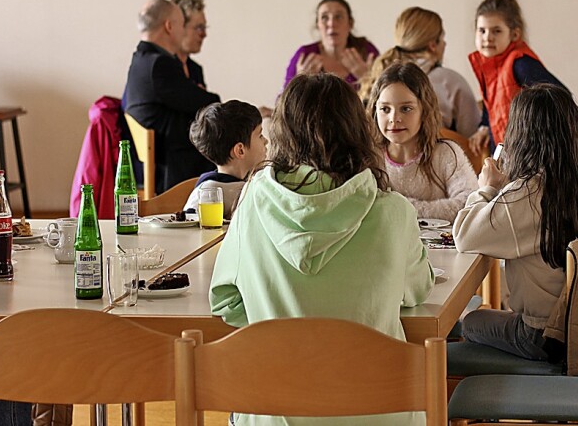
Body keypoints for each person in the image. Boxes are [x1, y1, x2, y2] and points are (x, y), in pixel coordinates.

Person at [210, 72, 434, 426]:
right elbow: (417, 290)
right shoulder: (393, 210)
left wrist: (281, 323)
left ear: (283, 132)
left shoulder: (253, 204)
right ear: (357, 129)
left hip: (277, 410)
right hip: (379, 412)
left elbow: (224, 300)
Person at [453, 84, 578, 360]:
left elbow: (465, 236)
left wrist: (486, 189)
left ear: (521, 135)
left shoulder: (528, 194)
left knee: (469, 321)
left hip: (544, 335)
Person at [124, 0, 221, 193]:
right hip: (169, 161)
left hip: (162, 153)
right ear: (169, 26)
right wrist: (202, 94)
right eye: (182, 24)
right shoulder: (160, 63)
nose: (184, 30)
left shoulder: (141, 58)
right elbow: (209, 101)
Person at [368, 62, 477, 221]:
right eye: (385, 109)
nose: (394, 119)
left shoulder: (447, 153)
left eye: (406, 109)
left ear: (424, 110)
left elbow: (470, 204)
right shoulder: (370, 157)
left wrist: (402, 207)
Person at [466, 0, 565, 156]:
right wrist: (484, 127)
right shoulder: (491, 66)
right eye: (482, 30)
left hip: (528, 157)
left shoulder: (520, 64)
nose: (487, 37)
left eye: (496, 31)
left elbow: (560, 96)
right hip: (506, 155)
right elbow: (493, 106)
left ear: (514, 34)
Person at [359, 7, 481, 137]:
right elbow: (472, 133)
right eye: (442, 38)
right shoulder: (450, 81)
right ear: (433, 45)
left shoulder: (378, 77)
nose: (445, 44)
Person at [183, 100, 268, 217]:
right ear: (240, 150)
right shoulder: (208, 192)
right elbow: (190, 225)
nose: (266, 141)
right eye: (260, 136)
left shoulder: (251, 183)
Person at [282, 0, 379, 91]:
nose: (332, 23)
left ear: (350, 24)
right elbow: (282, 102)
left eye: (338, 17)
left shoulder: (367, 51)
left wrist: (368, 79)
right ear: (317, 25)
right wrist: (299, 83)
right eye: (324, 17)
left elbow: (386, 95)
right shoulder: (304, 54)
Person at [171, 0, 209, 86]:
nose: (204, 34)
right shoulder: (161, 68)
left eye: (204, 28)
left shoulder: (195, 69)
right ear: (179, 27)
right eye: (199, 28)